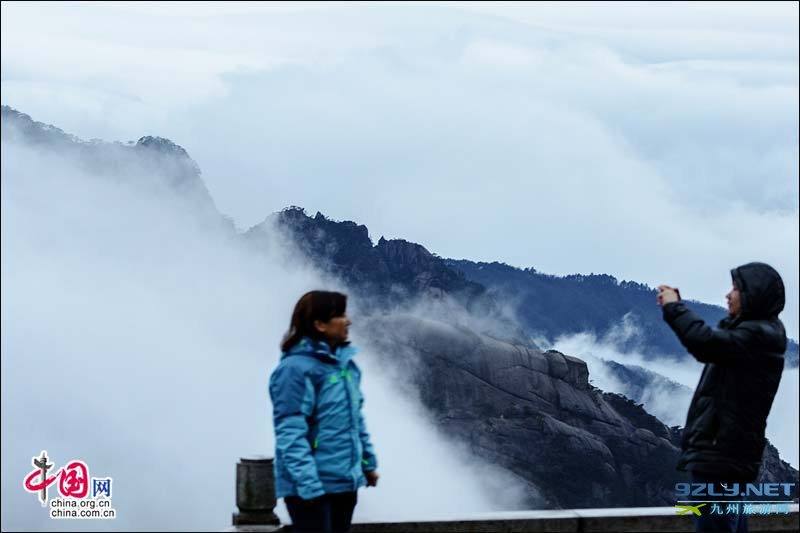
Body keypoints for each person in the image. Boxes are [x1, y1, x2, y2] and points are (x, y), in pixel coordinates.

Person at [657, 262, 787, 533]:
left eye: (736, 288)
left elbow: (704, 343)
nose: (728, 295)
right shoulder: (759, 333)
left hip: (721, 454)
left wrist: (674, 307)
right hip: (728, 454)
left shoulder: (755, 337)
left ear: (754, 295)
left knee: (714, 526)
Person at [269, 290, 379, 533]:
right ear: (319, 324)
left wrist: (367, 463)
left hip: (344, 482)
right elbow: (290, 433)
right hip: (310, 489)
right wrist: (310, 487)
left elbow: (355, 420)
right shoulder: (295, 370)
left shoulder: (345, 367)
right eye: (340, 315)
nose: (348, 321)